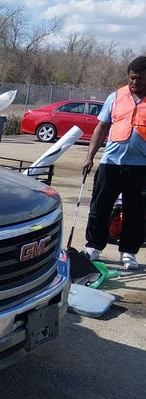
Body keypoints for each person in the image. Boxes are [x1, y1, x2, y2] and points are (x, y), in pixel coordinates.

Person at [82, 56, 146, 270]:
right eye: (131, 78)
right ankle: (94, 246)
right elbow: (101, 128)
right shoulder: (116, 97)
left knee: (136, 211)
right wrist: (90, 156)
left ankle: (128, 252)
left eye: (138, 78)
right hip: (111, 163)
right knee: (100, 206)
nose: (133, 82)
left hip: (140, 168)